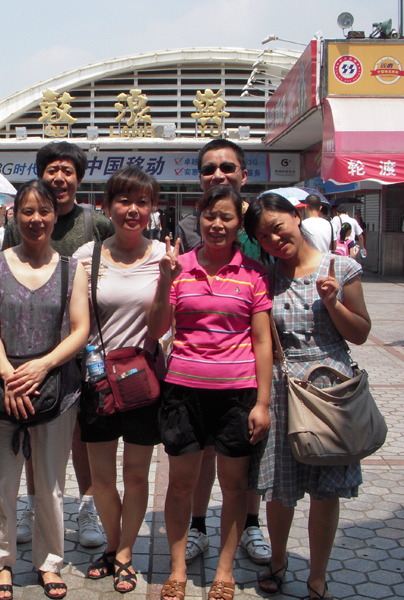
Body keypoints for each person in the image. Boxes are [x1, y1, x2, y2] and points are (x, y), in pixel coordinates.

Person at [244, 193, 371, 600]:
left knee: (326, 489)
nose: (274, 240)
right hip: (283, 389)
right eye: (264, 237)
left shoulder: (342, 267)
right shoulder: (265, 278)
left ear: (295, 217)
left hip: (331, 389)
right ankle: (278, 561)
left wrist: (333, 302)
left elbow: (361, 332)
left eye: (277, 228)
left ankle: (318, 577)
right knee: (280, 486)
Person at [150, 185, 272, 600]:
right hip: (184, 392)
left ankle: (224, 570)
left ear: (240, 225)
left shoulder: (254, 274)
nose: (217, 224)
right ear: (198, 218)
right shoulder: (178, 267)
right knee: (180, 485)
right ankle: (178, 568)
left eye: (226, 217)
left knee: (234, 486)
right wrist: (165, 281)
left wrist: (262, 403)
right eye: (209, 216)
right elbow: (157, 329)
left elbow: (261, 342)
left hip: (238, 395)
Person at [0, 179, 89, 600]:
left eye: (44, 211)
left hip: (55, 387)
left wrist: (43, 366)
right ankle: (0, 562)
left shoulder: (71, 269)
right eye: (27, 211)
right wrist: (10, 375)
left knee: (50, 482)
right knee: (1, 480)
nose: (36, 219)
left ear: (55, 216)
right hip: (3, 385)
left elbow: (80, 329)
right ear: (15, 215)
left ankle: (49, 561)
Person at [3, 141, 114, 549]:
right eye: (52, 170)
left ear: (79, 178)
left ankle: (87, 508)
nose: (60, 178)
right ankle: (33, 506)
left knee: (83, 432)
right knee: (34, 429)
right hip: (33, 346)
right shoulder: (18, 223)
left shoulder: (95, 222)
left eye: (68, 170)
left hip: (85, 346)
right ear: (40, 174)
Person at [178, 139, 272, 567]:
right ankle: (197, 527)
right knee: (203, 453)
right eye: (209, 168)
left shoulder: (262, 221)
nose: (218, 174)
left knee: (247, 455)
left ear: (244, 175)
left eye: (228, 167)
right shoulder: (188, 225)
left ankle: (251, 525)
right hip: (203, 366)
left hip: (258, 354)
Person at [72, 166, 165, 593]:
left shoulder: (164, 256)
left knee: (137, 475)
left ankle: (125, 552)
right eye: (124, 201)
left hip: (143, 382)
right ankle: (112, 544)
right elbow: (76, 322)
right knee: (102, 477)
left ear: (152, 208)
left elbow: (168, 322)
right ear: (107, 207)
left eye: (142, 202)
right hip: (98, 383)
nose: (133, 210)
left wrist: (168, 281)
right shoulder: (86, 257)